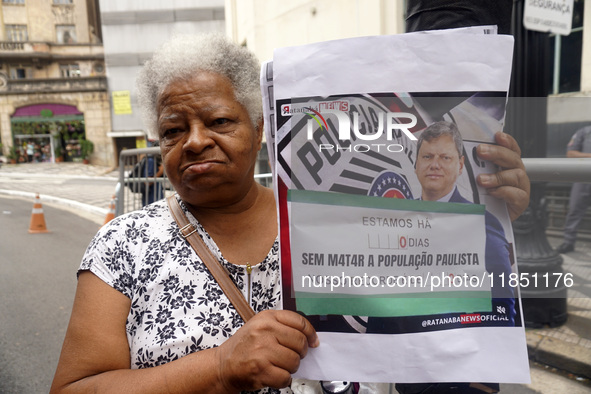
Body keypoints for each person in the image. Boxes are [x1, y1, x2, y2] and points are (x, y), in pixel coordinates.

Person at [50, 33, 530, 394]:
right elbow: (73, 388)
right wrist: (218, 367)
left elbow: (446, 309)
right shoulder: (123, 245)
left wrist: (492, 212)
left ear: (260, 130)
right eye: (174, 130)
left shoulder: (339, 220)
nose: (195, 141)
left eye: (219, 121)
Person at [555, 125, 591, 254]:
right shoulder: (585, 131)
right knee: (574, 210)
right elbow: (571, 154)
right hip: (583, 178)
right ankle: (568, 242)